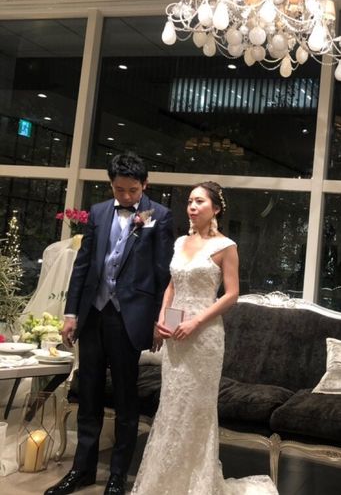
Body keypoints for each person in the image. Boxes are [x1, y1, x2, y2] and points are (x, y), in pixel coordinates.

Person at [131, 181, 277, 495]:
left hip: (204, 336)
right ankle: (165, 483)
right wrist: (163, 318)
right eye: (189, 201)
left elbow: (232, 294)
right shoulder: (180, 241)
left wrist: (195, 321)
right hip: (176, 334)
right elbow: (173, 285)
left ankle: (195, 485)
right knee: (172, 407)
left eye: (199, 201)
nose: (192, 207)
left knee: (195, 410)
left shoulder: (226, 246)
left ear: (216, 208)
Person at [45, 152, 174, 495]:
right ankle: (82, 470)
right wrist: (71, 314)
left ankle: (117, 474)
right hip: (93, 315)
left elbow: (164, 275)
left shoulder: (159, 216)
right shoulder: (99, 212)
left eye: (133, 190)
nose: (126, 196)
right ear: (111, 184)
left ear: (145, 185)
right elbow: (83, 265)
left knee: (125, 399)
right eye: (120, 190)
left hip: (129, 319)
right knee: (88, 394)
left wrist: (159, 320)